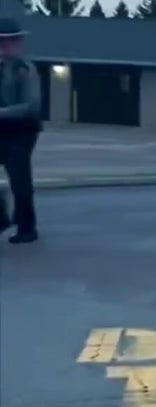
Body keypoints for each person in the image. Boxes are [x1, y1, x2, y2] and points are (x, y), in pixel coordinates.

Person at [0, 17, 41, 244]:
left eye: (8, 42)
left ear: (18, 42)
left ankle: (27, 228)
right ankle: (1, 217)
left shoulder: (25, 70)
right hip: (1, 130)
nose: (3, 47)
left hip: (22, 132)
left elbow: (31, 106)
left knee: (20, 180)